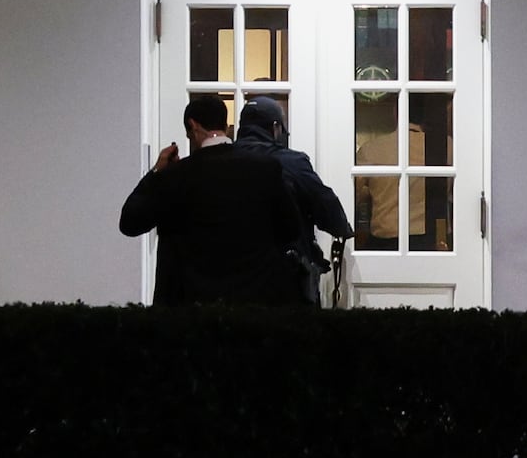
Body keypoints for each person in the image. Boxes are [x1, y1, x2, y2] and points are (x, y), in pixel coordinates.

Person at [119, 92, 307, 307]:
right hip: (254, 301)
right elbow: (291, 229)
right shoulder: (265, 169)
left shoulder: (175, 176)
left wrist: (156, 171)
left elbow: (130, 222)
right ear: (225, 125)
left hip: (191, 305)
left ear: (193, 126)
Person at [237, 96, 356, 305]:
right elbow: (324, 203)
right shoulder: (290, 161)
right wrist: (341, 228)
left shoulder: (222, 159)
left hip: (233, 274)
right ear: (275, 127)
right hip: (283, 275)